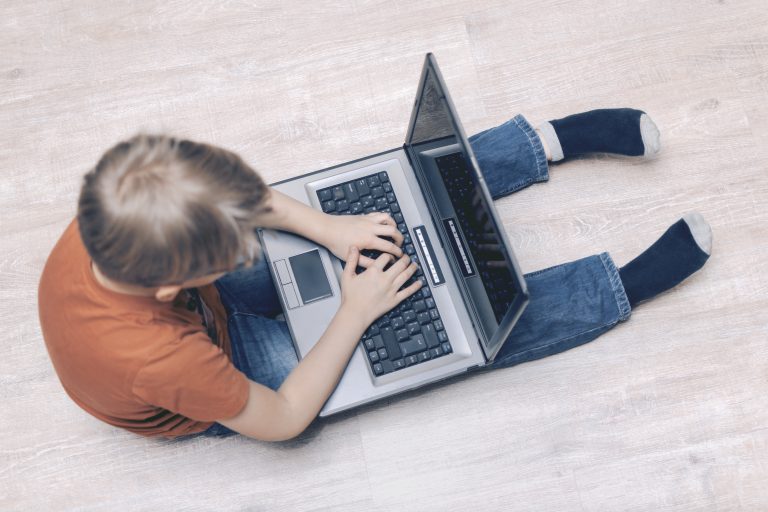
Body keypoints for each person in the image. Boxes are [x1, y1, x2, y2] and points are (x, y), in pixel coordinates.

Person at [38, 108, 712, 441]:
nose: (249, 246)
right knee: (449, 337)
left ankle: (546, 142)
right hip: (223, 368)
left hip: (196, 313)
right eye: (231, 249)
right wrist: (353, 311)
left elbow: (246, 195)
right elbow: (282, 418)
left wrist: (331, 229)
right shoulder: (163, 361)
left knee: (399, 188)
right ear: (169, 287)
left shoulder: (119, 207)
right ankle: (613, 289)